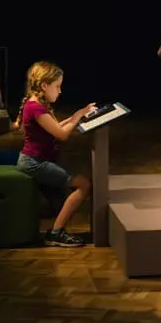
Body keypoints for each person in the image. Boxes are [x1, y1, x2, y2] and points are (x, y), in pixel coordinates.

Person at [14, 61, 96, 247]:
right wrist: (77, 116)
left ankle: (58, 230)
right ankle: (56, 234)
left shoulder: (35, 105)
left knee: (65, 193)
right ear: (44, 85)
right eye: (57, 86)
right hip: (34, 162)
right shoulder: (36, 108)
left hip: (37, 160)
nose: (60, 91)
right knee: (84, 185)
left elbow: (55, 127)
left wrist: (78, 115)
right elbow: (62, 134)